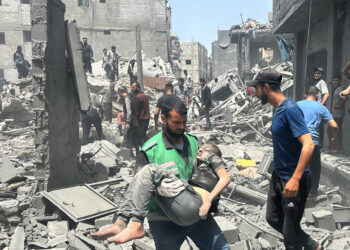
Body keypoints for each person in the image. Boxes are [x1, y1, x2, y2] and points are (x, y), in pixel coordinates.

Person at [129, 95, 230, 249]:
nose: (182, 127)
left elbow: (203, 173)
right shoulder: (150, 151)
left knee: (222, 248)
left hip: (196, 213)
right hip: (164, 220)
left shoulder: (193, 142)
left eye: (184, 122)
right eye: (176, 123)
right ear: (163, 118)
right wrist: (157, 189)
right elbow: (138, 187)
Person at [91, 142, 231, 246]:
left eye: (204, 149)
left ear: (211, 152)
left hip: (196, 202)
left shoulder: (214, 158)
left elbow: (226, 178)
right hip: (187, 210)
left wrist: (208, 200)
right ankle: (121, 222)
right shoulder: (199, 167)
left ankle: (133, 223)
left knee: (150, 170)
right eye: (200, 148)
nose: (199, 151)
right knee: (142, 180)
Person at [248, 68, 321, 250]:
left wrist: (295, 179)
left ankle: (301, 243)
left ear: (266, 87)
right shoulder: (277, 109)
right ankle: (311, 244)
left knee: (290, 237)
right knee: (272, 218)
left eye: (255, 89)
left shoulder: (290, 109)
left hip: (293, 180)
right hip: (279, 176)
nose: (254, 94)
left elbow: (309, 144)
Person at [297, 86, 339, 196]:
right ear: (317, 96)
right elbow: (334, 126)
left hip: (296, 142)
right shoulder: (320, 107)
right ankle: (312, 194)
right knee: (314, 170)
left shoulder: (296, 105)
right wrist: (335, 139)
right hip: (311, 143)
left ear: (305, 95)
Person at [118, 87, 140, 156]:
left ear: (120, 93)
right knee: (135, 138)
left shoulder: (126, 99)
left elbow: (129, 112)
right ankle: (137, 154)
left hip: (131, 122)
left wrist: (127, 122)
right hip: (135, 121)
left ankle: (131, 154)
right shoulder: (130, 98)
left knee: (128, 138)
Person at [329, 76, 347, 151]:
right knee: (334, 131)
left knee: (335, 131)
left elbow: (345, 97)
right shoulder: (337, 89)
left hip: (338, 114)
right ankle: (335, 147)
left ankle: (336, 148)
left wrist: (339, 105)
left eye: (337, 81)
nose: (335, 82)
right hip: (336, 114)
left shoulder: (339, 89)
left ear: (340, 82)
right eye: (333, 80)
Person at [313, 67, 329, 148]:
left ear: (322, 75)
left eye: (318, 73)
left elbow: (326, 94)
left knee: (319, 127)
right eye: (315, 73)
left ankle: (320, 145)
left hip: (318, 108)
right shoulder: (318, 83)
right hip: (316, 108)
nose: (316, 75)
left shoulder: (322, 82)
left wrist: (321, 104)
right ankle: (318, 145)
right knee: (316, 126)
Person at [131, 81, 150, 147]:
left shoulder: (138, 97)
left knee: (140, 136)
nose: (132, 89)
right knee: (142, 135)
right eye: (132, 88)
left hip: (142, 119)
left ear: (138, 87)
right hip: (146, 118)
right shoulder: (144, 95)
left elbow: (136, 110)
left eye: (134, 87)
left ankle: (144, 152)